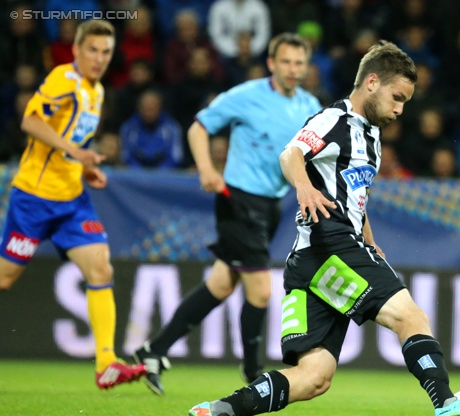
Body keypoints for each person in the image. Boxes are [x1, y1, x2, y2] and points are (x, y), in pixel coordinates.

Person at [184, 40, 460, 416]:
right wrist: (302, 187)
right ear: (371, 82)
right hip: (330, 246)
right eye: (397, 97)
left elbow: (355, 195)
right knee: (410, 316)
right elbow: (291, 154)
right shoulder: (334, 119)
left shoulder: (370, 138)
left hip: (310, 261)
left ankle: (218, 412)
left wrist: (370, 239)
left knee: (314, 376)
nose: (400, 110)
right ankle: (446, 403)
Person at [133, 33, 322, 395]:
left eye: (299, 62)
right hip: (238, 199)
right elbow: (199, 126)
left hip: (271, 206)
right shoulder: (246, 95)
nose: (293, 69)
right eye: (286, 61)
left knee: (221, 284)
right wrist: (206, 168)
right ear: (271, 63)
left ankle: (152, 351)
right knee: (261, 290)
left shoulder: (310, 104)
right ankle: (252, 371)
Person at [0, 20, 146, 389]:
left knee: (100, 270)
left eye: (106, 52)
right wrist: (76, 151)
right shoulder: (63, 79)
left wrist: (83, 167)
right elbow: (31, 121)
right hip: (34, 197)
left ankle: (106, 363)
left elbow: (68, 140)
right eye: (93, 50)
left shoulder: (95, 92)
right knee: (4, 279)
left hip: (72, 201)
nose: (99, 58)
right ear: (78, 50)